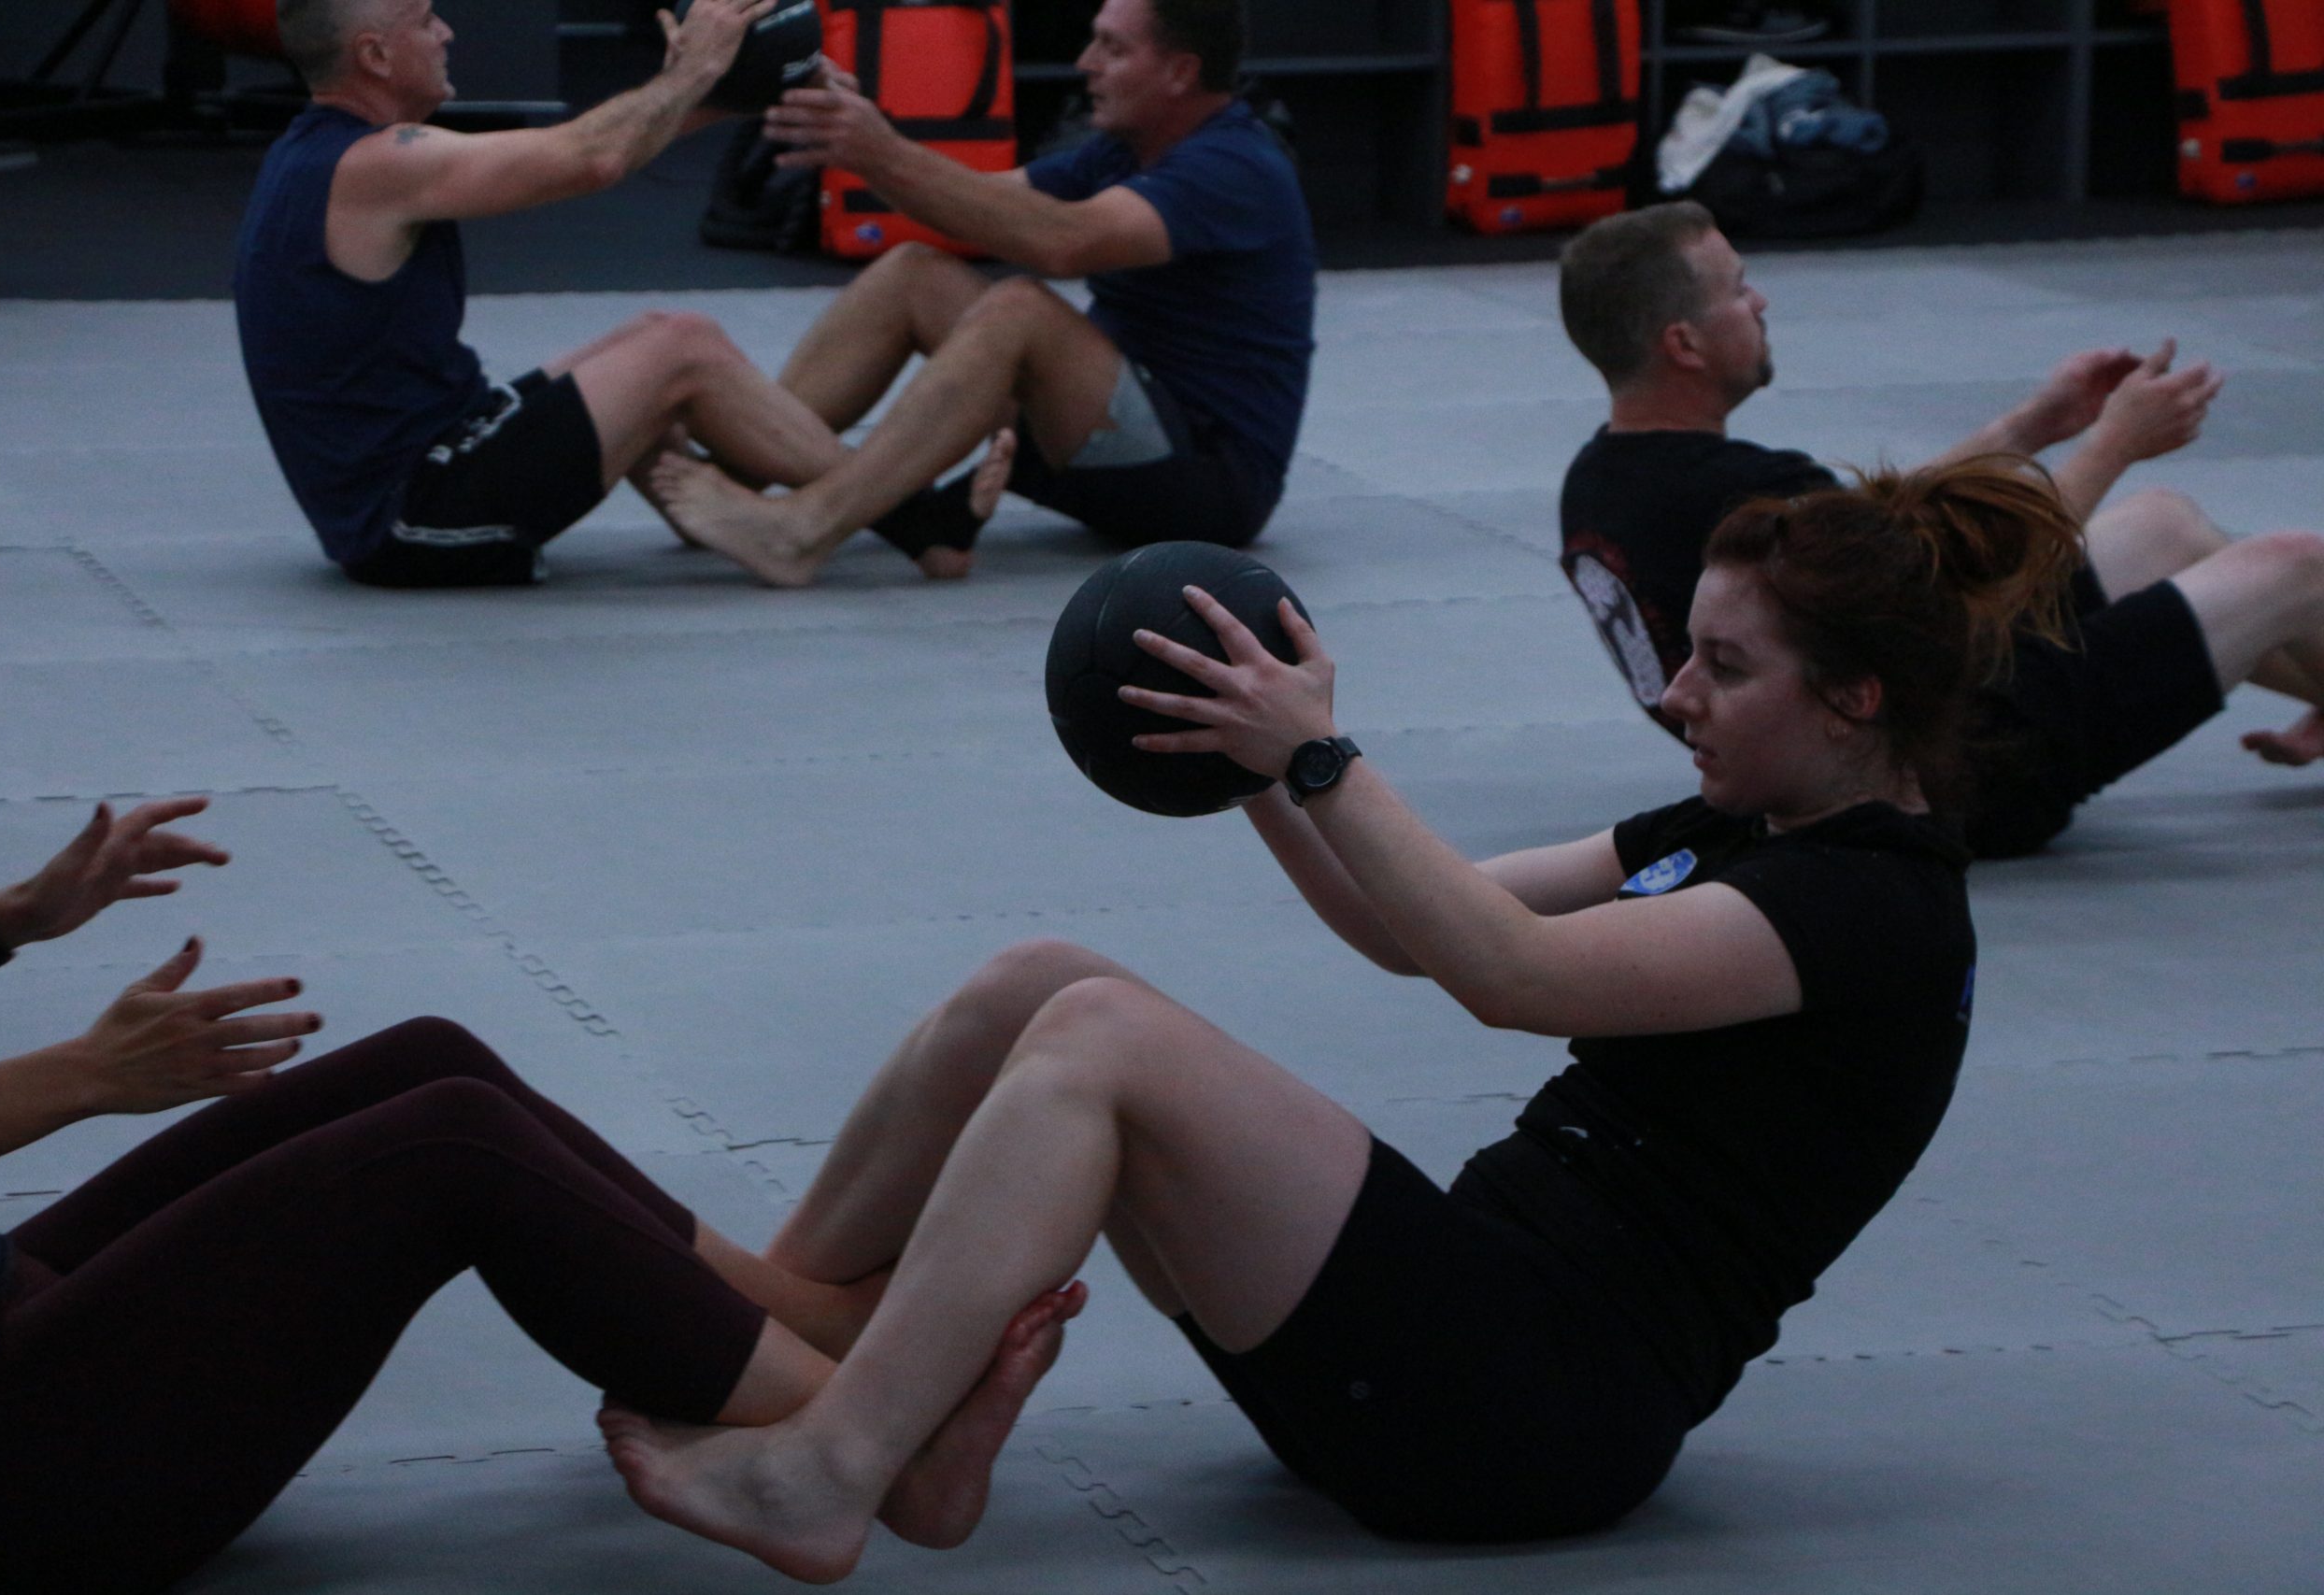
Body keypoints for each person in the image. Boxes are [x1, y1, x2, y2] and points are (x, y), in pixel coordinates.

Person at [595, 460, 2076, 1579]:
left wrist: (1322, 756)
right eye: (1689, 649)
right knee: (1033, 984)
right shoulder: (1737, 822)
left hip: (1528, 1410)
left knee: (1101, 1038)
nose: (1678, 692)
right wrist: (1260, 761)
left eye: (1727, 667)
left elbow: (1513, 976)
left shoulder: (1872, 907)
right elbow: (1404, 927)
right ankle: (780, 1331)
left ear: (1857, 699)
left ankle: (833, 1470)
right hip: (1446, 1327)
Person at [0, 796, 1077, 1593]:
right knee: (450, 1148)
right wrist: (85, 1076)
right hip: (0, 1479)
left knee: (429, 1061)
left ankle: (808, 1324)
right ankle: (866, 1451)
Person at [1554, 200, 2324, 857]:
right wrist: (2114, 442)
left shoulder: (1602, 482)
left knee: (2163, 525)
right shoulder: (1739, 492)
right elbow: (1958, 590)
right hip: (1979, 767)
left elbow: (1885, 529)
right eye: (1739, 289)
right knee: (2298, 562)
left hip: (1881, 742)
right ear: (1683, 343)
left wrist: (2032, 425)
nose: (1761, 304)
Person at [645, 0, 1319, 586]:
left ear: (1181, 71)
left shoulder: (1237, 167)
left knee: (1020, 308)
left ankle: (800, 530)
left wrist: (880, 152)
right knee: (915, 272)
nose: (1086, 62)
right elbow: (988, 205)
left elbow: (1063, 241)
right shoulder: (1125, 149)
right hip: (1114, 432)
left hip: (1209, 484)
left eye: (1113, 48)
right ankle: (743, 472)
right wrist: (848, 123)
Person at [235, 0, 867, 588]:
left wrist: (741, 91)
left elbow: (596, 143)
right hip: (415, 521)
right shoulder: (379, 165)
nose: (447, 33)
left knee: (652, 335)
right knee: (683, 346)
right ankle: (911, 516)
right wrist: (696, 70)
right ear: (375, 56)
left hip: (435, 459)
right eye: (426, 21)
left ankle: (742, 503)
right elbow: (588, 157)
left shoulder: (319, 154)